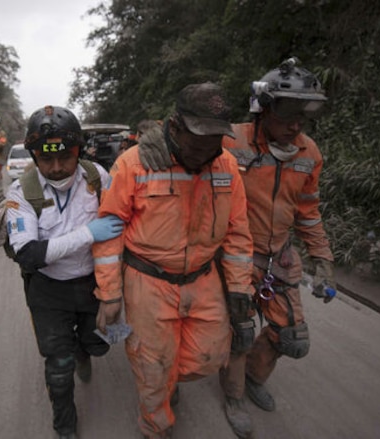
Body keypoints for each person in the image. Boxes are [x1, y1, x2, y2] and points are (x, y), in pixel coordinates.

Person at [138, 58, 338, 438]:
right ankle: (233, 397)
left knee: (290, 338)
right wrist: (150, 131)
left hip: (279, 255)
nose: (295, 124)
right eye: (286, 113)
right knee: (239, 330)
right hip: (231, 256)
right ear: (262, 108)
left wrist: (323, 258)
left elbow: (308, 211)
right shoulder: (231, 140)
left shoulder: (308, 152)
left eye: (303, 116)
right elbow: (184, 139)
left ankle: (251, 378)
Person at [93, 83, 256, 438]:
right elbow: (108, 230)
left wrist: (241, 285)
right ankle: (156, 427)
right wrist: (109, 294)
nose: (206, 150)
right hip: (147, 281)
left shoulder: (226, 164)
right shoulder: (134, 163)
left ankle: (168, 380)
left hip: (203, 277)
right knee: (154, 369)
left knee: (210, 356)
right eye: (198, 139)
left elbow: (238, 232)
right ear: (175, 126)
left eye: (215, 139)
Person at [6, 105, 124, 439]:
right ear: (34, 156)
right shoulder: (20, 193)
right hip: (48, 291)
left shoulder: (98, 177)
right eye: (45, 159)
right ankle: (65, 427)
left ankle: (83, 348)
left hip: (93, 285)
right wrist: (88, 234)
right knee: (59, 368)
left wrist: (115, 290)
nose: (57, 168)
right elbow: (28, 254)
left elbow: (123, 224)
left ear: (79, 151)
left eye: (65, 158)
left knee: (101, 343)